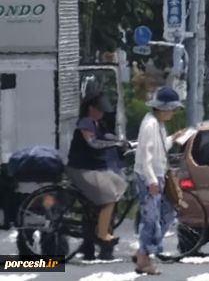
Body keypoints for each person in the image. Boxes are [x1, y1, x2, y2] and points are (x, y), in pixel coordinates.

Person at [66, 92, 128, 260]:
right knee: (107, 198)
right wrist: (115, 143)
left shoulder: (97, 123)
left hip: (95, 168)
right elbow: (93, 143)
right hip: (83, 169)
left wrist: (120, 142)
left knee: (105, 200)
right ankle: (101, 238)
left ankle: (93, 245)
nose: (102, 113)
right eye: (99, 110)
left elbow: (106, 137)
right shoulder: (86, 123)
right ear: (91, 108)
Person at [132, 86, 183, 275]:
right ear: (163, 108)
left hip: (158, 174)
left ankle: (144, 253)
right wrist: (152, 180)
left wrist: (173, 138)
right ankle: (145, 259)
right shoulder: (150, 125)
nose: (173, 113)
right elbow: (145, 155)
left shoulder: (157, 124)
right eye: (171, 109)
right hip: (150, 176)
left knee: (166, 213)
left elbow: (160, 148)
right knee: (151, 219)